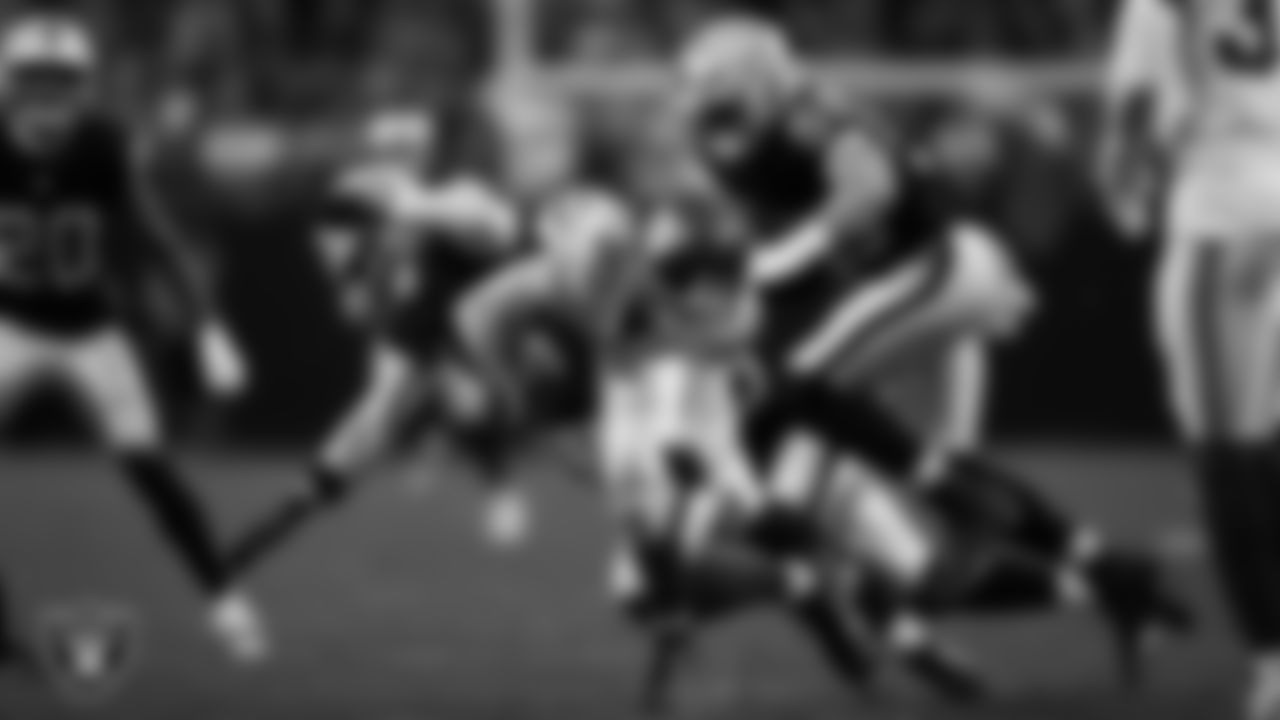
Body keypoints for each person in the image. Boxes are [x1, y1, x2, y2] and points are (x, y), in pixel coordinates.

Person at [675, 13, 1190, 683]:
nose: (719, 133)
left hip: (938, 273)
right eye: (710, 114)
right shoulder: (768, 153)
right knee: (948, 546)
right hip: (920, 307)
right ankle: (1107, 573)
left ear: (765, 83)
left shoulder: (809, 113)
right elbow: (790, 285)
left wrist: (785, 261)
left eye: (728, 108)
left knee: (799, 388)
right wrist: (755, 297)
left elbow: (871, 191)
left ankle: (809, 511)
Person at [0, 14, 262, 661]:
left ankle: (225, 599)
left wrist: (208, 326)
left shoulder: (102, 145)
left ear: (84, 88)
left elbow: (158, 239)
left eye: (61, 83)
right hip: (10, 324)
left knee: (150, 469)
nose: (48, 98)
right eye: (35, 82)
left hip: (92, 330)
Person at [227, 108, 522, 577]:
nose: (398, 160)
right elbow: (354, 295)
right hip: (417, 320)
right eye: (390, 151)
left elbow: (495, 230)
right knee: (379, 410)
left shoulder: (455, 194)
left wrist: (416, 214)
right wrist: (359, 276)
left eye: (408, 151)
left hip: (474, 314)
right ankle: (301, 502)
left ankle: (498, 485)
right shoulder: (356, 203)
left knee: (469, 400)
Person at [1100, 0, 1280, 716]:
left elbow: (1134, 112)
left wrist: (1127, 184)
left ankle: (1273, 659)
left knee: (1220, 452)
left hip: (1223, 215)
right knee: (1261, 439)